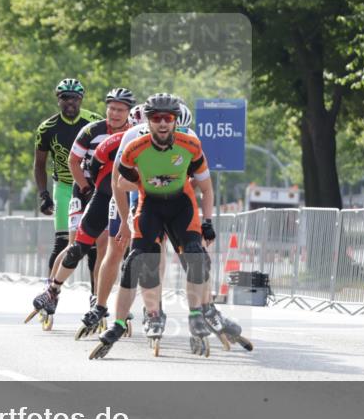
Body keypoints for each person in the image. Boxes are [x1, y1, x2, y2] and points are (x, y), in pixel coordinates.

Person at [90, 94, 248, 359]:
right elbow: (119, 184)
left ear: (175, 121)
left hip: (180, 206)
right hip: (149, 205)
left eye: (168, 118)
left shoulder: (191, 144)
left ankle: (199, 312)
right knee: (136, 262)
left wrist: (207, 222)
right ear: (148, 121)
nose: (163, 123)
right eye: (156, 118)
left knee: (197, 258)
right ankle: (122, 323)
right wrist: (140, 192)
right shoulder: (134, 147)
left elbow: (206, 188)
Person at [29, 88, 136, 325]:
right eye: (112, 109)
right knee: (74, 244)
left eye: (120, 110)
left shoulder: (134, 132)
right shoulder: (91, 130)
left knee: (104, 244)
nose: (115, 114)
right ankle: (52, 291)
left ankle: (97, 297)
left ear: (128, 113)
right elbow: (73, 161)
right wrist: (85, 187)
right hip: (85, 188)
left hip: (113, 193)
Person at [30, 79, 103, 328]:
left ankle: (96, 298)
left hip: (91, 186)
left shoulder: (94, 121)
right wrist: (43, 194)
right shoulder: (47, 127)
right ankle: (52, 294)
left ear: (81, 100)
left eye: (75, 98)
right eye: (65, 98)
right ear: (58, 99)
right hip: (63, 186)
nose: (70, 102)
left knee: (93, 245)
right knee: (64, 242)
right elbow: (39, 164)